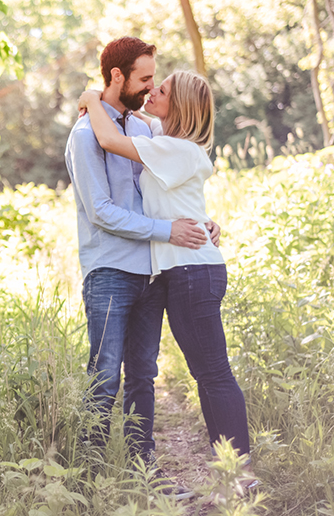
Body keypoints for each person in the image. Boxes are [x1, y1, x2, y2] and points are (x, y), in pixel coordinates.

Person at [78, 70, 251, 462]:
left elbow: (108, 137)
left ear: (181, 106)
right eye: (152, 82)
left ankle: (239, 473)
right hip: (184, 271)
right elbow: (134, 118)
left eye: (162, 89)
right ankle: (229, 470)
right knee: (206, 374)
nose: (152, 91)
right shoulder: (165, 139)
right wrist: (207, 220)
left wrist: (90, 99)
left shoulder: (175, 148)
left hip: (192, 271)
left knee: (213, 374)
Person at [64, 37, 219, 470]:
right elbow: (102, 212)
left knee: (143, 378)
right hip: (110, 271)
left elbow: (168, 186)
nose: (152, 88)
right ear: (118, 76)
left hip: (151, 273)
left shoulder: (144, 128)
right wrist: (167, 231)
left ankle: (143, 470)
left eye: (155, 80)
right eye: (145, 78)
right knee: (104, 376)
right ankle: (92, 478)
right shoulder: (85, 135)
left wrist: (201, 220)